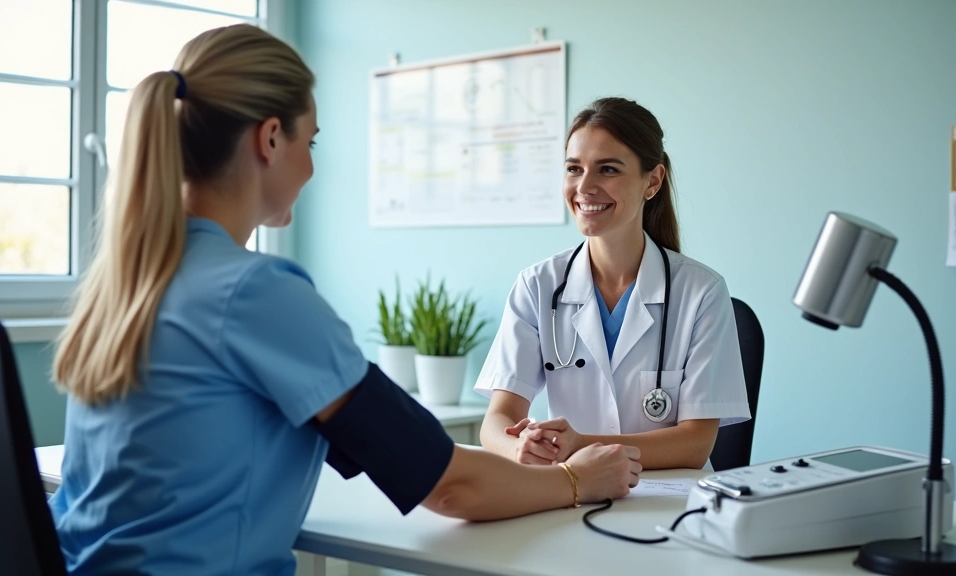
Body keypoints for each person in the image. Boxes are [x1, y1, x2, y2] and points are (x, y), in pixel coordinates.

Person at [47, 25, 642, 576]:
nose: (310, 165)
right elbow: (449, 485)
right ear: (271, 138)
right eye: (313, 139)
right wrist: (575, 481)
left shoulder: (124, 284)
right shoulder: (254, 292)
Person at [474, 97, 750, 471]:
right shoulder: (538, 286)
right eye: (574, 168)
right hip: (570, 492)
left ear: (652, 181)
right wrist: (520, 448)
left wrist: (581, 446)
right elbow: (496, 422)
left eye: (607, 170)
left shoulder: (700, 292)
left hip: (668, 506)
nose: (584, 187)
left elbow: (695, 443)